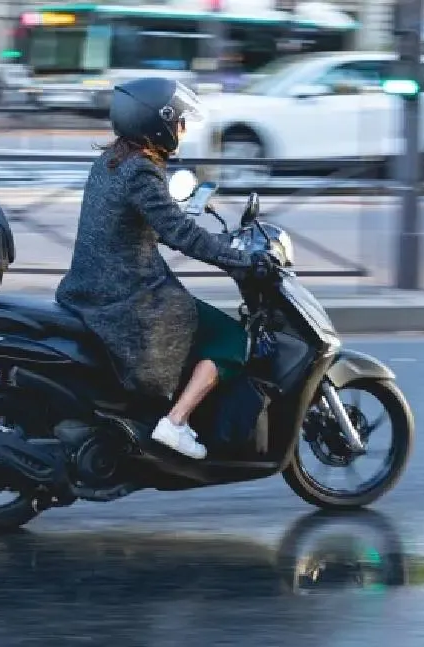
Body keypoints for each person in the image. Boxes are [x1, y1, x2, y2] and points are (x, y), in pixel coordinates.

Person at [55, 78, 280, 460]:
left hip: (90, 286)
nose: (182, 129)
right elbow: (180, 235)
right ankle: (175, 423)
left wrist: (214, 241)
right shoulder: (141, 171)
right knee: (228, 338)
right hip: (125, 296)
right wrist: (242, 259)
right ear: (155, 123)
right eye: (178, 122)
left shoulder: (111, 162)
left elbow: (140, 225)